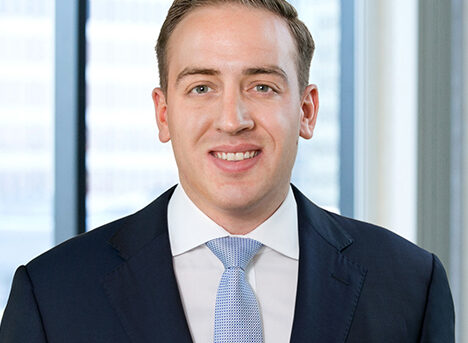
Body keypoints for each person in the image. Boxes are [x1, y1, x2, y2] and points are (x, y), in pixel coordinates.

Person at [0, 0, 454, 342]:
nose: (233, 118)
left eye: (262, 86)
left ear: (307, 110)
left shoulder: (410, 286)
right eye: (201, 87)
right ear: (163, 114)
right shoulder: (51, 296)